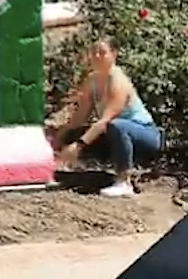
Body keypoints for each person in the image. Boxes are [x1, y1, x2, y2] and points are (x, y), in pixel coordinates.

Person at [50, 36, 164, 197]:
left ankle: (124, 182)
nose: (96, 56)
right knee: (73, 133)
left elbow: (105, 121)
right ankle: (68, 168)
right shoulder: (92, 81)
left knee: (116, 126)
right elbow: (80, 117)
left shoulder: (119, 81)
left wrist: (78, 145)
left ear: (114, 54)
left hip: (144, 136)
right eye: (94, 52)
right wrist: (59, 138)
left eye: (102, 53)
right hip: (114, 133)